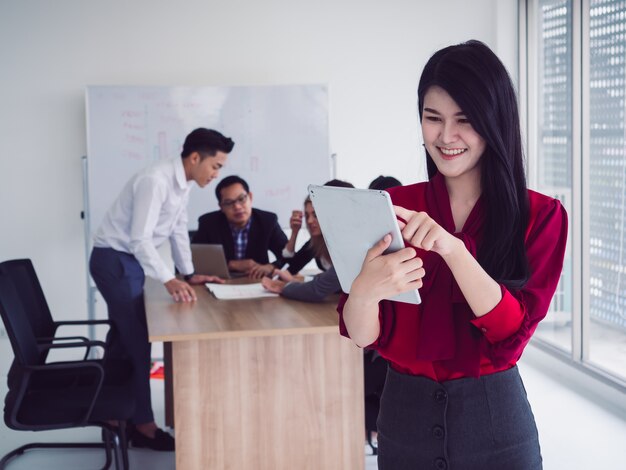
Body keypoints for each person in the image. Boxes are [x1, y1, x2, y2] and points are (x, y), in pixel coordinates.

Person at [339, 40, 568, 469]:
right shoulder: (389, 205)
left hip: (494, 421)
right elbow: (362, 336)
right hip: (403, 416)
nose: (446, 137)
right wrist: (364, 293)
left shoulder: (541, 215)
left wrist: (453, 249)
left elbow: (510, 337)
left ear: (494, 121)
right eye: (433, 119)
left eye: (464, 120)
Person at [89, 128, 234, 451]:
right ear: (195, 157)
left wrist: (189, 272)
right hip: (114, 260)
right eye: (216, 165)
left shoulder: (181, 183)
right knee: (139, 340)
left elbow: (178, 229)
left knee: (124, 337)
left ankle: (112, 415)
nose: (216, 174)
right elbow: (139, 239)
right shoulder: (156, 181)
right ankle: (142, 424)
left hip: (127, 262)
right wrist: (169, 279)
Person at [261, 179, 353, 302]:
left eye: (316, 214)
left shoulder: (349, 246)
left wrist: (286, 286)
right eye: (307, 215)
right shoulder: (318, 242)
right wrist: (294, 233)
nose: (309, 221)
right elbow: (290, 267)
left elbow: (318, 290)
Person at [192, 175, 289, 279]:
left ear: (250, 197)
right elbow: (192, 260)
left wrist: (271, 267)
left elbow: (289, 257)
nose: (237, 207)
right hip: (221, 283)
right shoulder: (209, 223)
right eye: (229, 203)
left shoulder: (267, 221)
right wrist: (231, 264)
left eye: (241, 199)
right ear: (221, 207)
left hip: (257, 283)